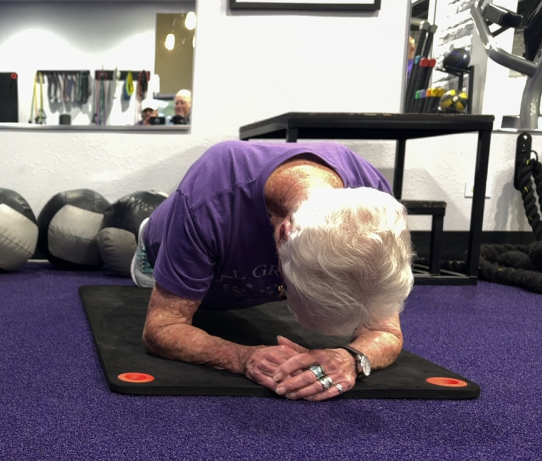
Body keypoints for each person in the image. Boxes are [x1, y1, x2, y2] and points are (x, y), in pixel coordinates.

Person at [131, 141, 413, 401]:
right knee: (147, 263)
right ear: (283, 234)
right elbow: (162, 328)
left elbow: (385, 331)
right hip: (171, 243)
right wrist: (240, 357)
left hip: (246, 275)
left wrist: (350, 357)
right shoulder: (210, 199)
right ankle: (143, 235)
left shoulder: (375, 211)